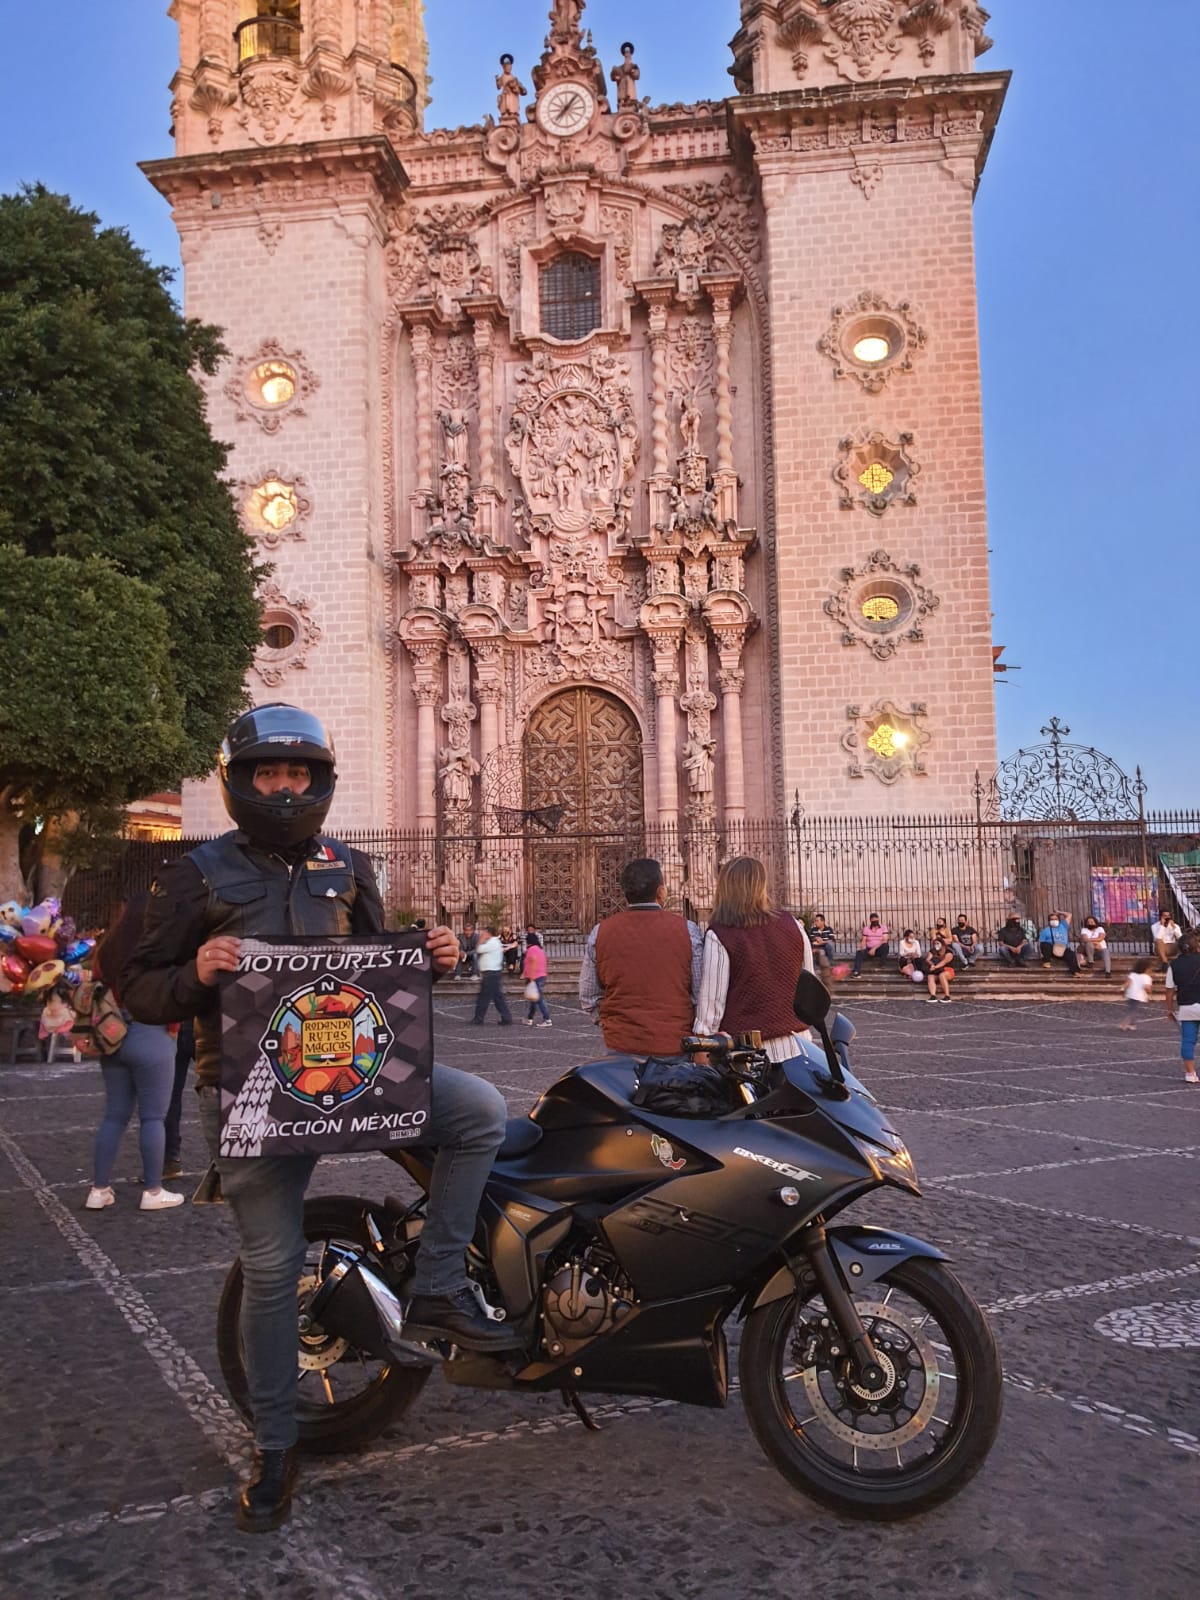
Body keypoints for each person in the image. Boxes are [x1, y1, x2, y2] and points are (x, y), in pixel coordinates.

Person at [123, 704, 520, 1536]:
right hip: (251, 1093)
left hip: (355, 1073)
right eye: (268, 772)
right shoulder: (196, 874)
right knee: (272, 1271)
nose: (282, 786)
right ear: (239, 781)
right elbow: (138, 986)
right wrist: (196, 972)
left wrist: (430, 958)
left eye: (296, 772)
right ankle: (275, 1446)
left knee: (479, 1111)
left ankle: (439, 1286)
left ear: (318, 781)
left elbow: (380, 973)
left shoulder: (350, 867)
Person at [83, 897, 184, 1215]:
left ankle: (98, 1190)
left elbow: (95, 986)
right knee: (153, 1118)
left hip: (113, 1035)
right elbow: (174, 995)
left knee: (113, 1116)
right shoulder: (159, 952)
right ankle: (153, 1190)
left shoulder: (107, 951)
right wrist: (173, 1031)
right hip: (151, 1033)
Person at [692, 857, 815, 1065]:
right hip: (800, 1046)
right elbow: (809, 983)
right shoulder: (792, 924)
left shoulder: (721, 934)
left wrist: (702, 1044)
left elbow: (712, 1001)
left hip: (750, 1055)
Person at [580, 858, 703, 1056]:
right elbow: (699, 994)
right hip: (674, 1043)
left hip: (621, 1043)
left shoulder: (600, 932)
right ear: (661, 891)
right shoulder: (688, 931)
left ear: (625, 893)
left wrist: (610, 1022)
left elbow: (589, 996)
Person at [161, 1016, 194, 1181]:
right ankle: (220, 1163)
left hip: (174, 1024)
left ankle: (171, 1159)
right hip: (206, 1024)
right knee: (216, 1092)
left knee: (170, 1095)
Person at [1165, 931, 1200, 1083]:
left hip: (1186, 1006)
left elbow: (1169, 990)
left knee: (1188, 1040)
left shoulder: (1174, 965)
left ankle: (1190, 1073)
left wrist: (1170, 1009)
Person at [472, 924, 513, 1026]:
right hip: (492, 973)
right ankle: (506, 1017)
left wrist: (481, 939)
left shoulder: (492, 942)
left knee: (484, 997)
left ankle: (479, 1018)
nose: (482, 934)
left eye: (484, 932)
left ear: (488, 933)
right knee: (496, 997)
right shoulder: (493, 942)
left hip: (491, 973)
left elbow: (478, 949)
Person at [1118, 957, 1155, 1032]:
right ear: (1147, 969)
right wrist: (1150, 994)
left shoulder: (1132, 974)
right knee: (1133, 1011)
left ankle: (1132, 1024)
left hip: (1130, 994)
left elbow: (1127, 984)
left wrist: (1122, 989)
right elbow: (1147, 988)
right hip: (1138, 996)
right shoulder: (1147, 977)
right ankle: (1124, 1024)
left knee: (1132, 1009)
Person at [925, 938, 955, 1004]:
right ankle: (933, 996)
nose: (936, 945)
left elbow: (944, 962)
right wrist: (932, 964)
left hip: (948, 970)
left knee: (942, 975)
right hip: (937, 970)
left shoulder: (948, 952)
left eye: (937, 943)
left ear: (942, 944)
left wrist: (935, 967)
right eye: (935, 944)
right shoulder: (933, 951)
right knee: (930, 976)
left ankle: (947, 996)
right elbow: (928, 959)